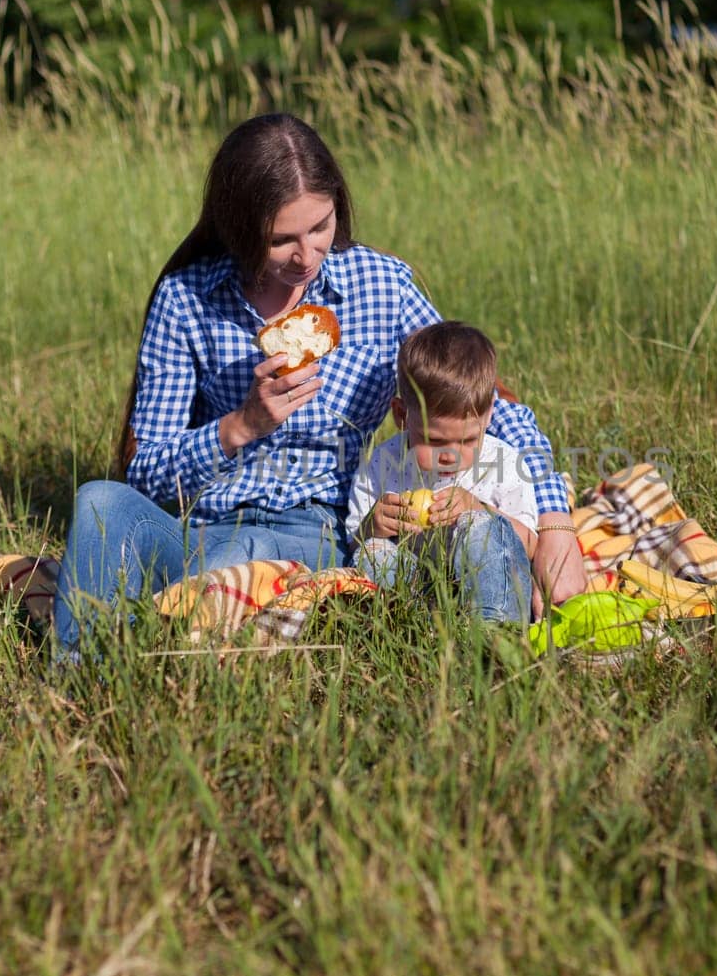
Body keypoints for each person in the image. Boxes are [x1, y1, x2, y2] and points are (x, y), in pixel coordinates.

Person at [52, 113, 586, 655]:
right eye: (281, 239)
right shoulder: (186, 299)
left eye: (320, 227)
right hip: (207, 532)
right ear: (238, 227)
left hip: (324, 536)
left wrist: (556, 522)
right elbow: (146, 473)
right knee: (99, 501)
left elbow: (479, 400)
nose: (306, 257)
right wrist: (239, 426)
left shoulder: (381, 287)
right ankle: (81, 686)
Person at [346, 322, 536, 624]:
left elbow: (528, 544)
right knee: (372, 553)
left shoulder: (504, 463)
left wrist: (478, 507)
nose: (449, 454)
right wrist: (372, 526)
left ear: (488, 415)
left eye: (467, 440)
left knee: (481, 528)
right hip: (418, 588)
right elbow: (355, 543)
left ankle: (496, 631)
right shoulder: (383, 464)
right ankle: (410, 627)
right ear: (401, 415)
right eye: (433, 440)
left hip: (488, 591)